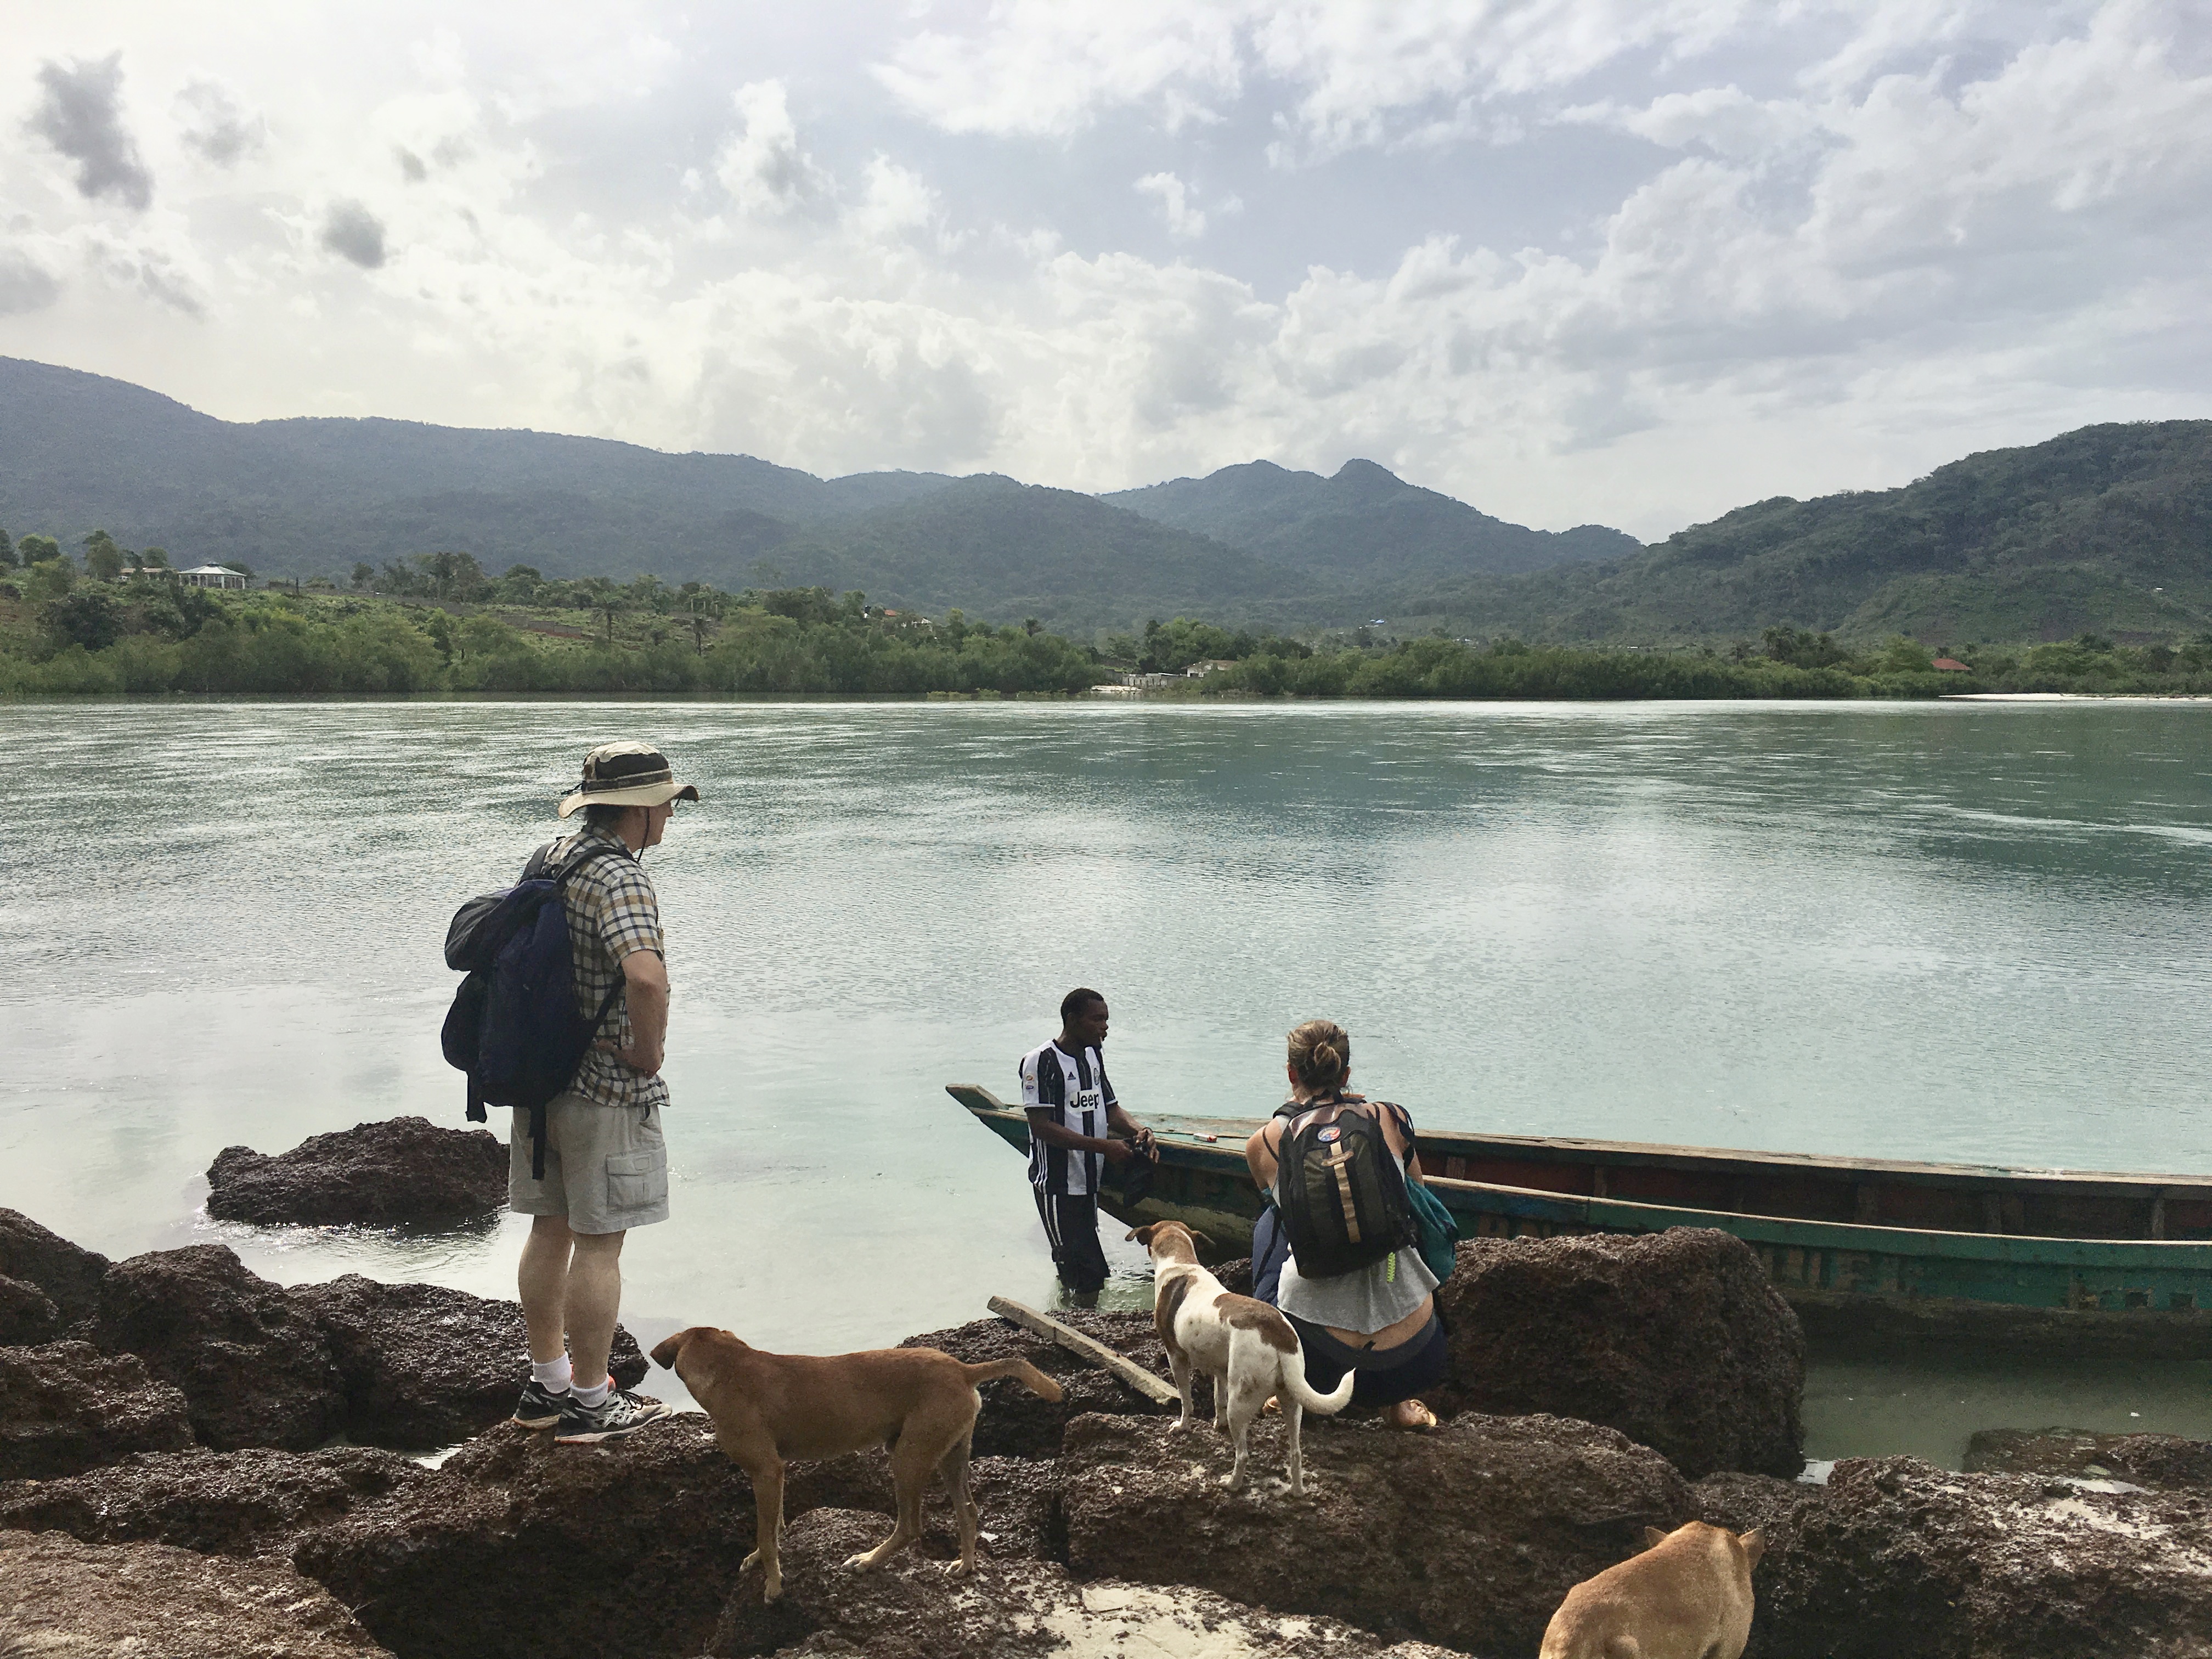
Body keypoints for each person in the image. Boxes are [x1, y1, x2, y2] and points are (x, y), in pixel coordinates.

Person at [508, 741, 697, 1444]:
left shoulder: (553, 856)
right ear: (644, 810)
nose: (671, 817)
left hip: (539, 1082)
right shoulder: (621, 877)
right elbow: (645, 978)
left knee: (548, 1229)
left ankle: (547, 1382)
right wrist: (648, 1054)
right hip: (605, 1089)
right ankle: (591, 1402)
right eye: (668, 805)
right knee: (599, 1246)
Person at [1244, 1019, 1448, 1430]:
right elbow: (1418, 1200)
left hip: (1319, 1368)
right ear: (1347, 1073)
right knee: (1408, 1214)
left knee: (1272, 1222)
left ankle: (1278, 1389)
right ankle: (1400, 1406)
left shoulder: (1264, 1142)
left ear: (1291, 1073)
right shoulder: (1392, 1118)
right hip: (1416, 1360)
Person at [1020, 988, 1158, 1301]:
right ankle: (1070, 1325)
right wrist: (1105, 1147)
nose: (1105, 1027)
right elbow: (1041, 1128)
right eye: (1097, 1019)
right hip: (1057, 1184)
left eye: (1106, 1019)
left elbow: (1110, 1108)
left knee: (1084, 1270)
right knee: (1083, 1272)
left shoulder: (1093, 1055)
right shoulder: (1040, 1062)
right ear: (1072, 1020)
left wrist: (1140, 1130)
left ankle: (1073, 1315)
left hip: (1089, 1181)